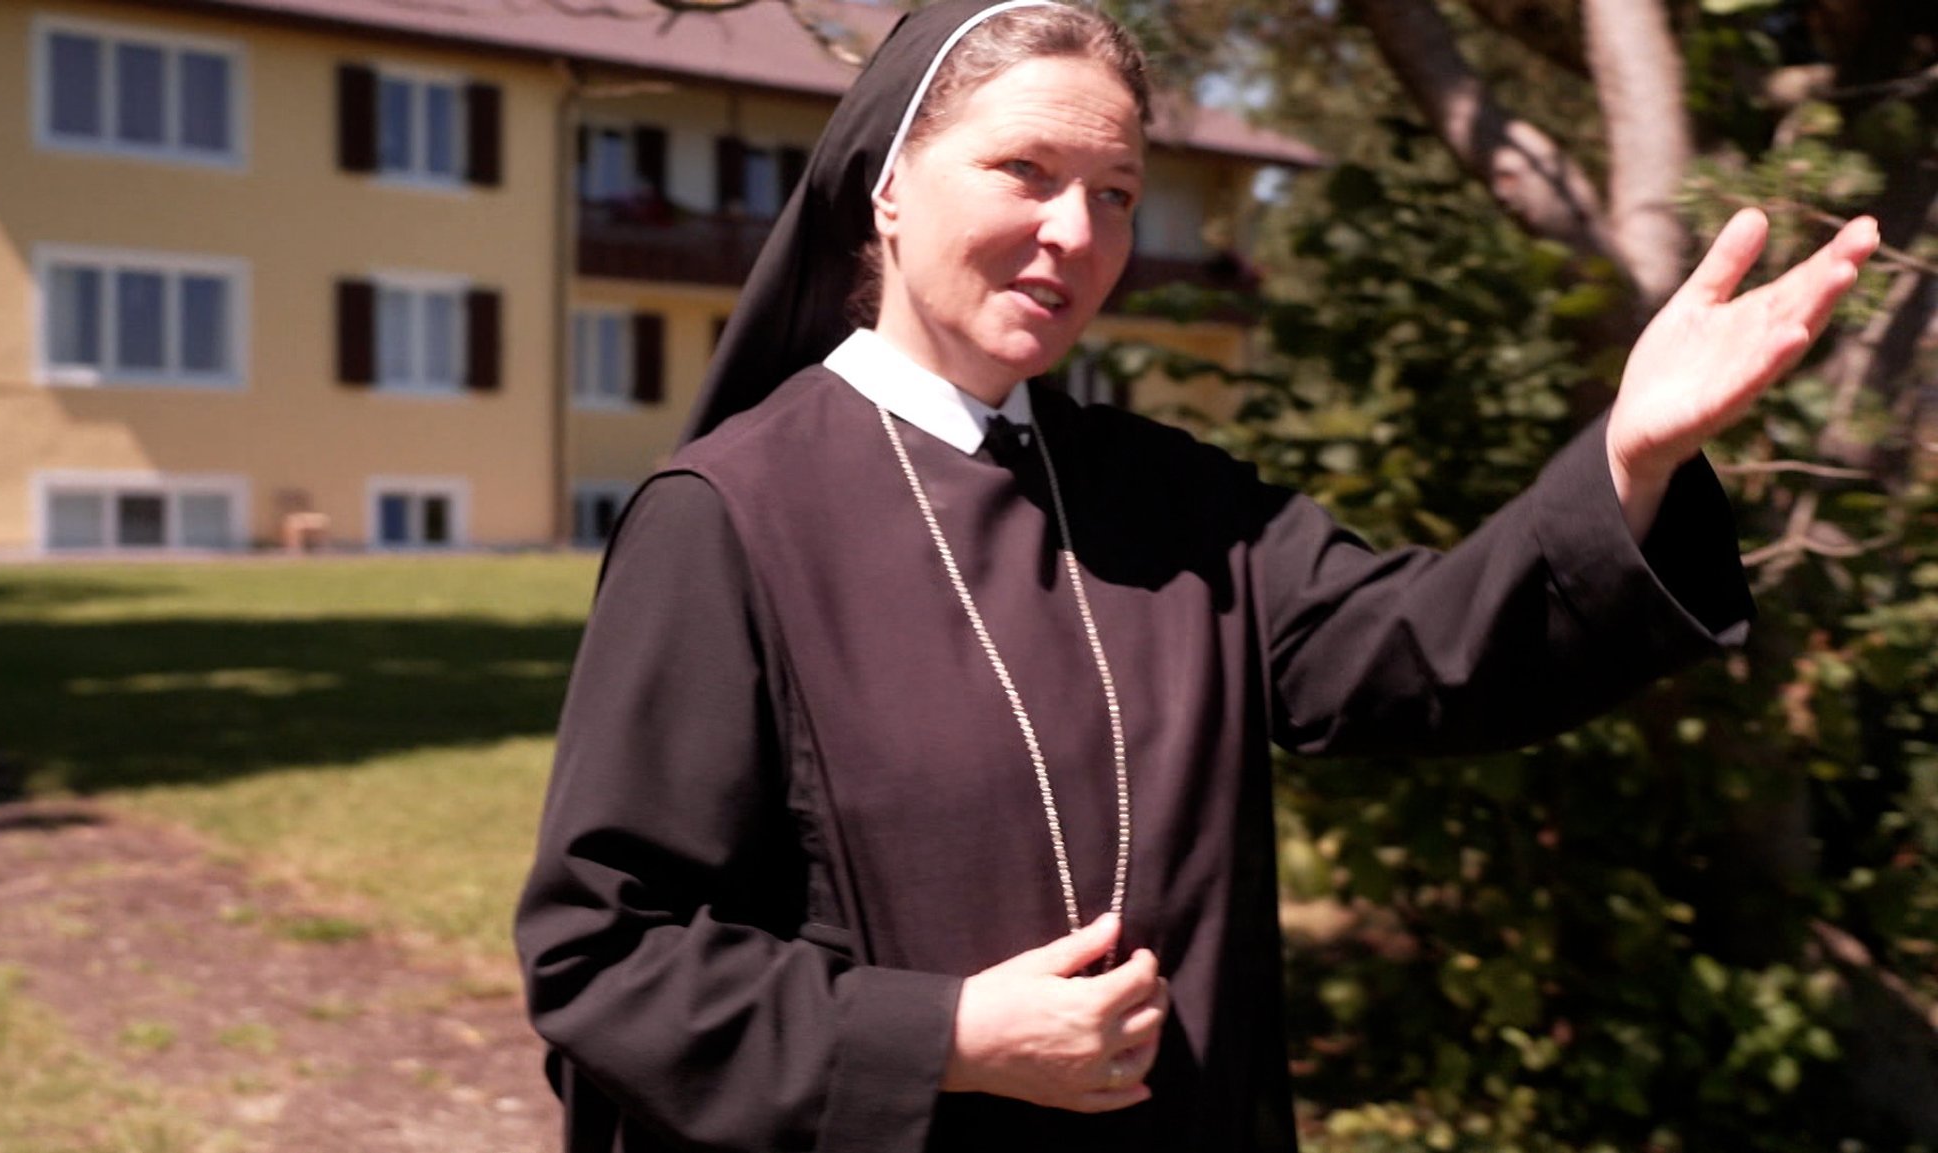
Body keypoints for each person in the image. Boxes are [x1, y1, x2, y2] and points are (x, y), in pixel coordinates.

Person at [514, 2, 1881, 1150]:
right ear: (886, 181)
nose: (1077, 234)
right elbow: (604, 953)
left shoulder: (1170, 499)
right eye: (1025, 172)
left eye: (1116, 194)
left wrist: (1629, 460)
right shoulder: (730, 515)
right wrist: (942, 1034)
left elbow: (1422, 650)